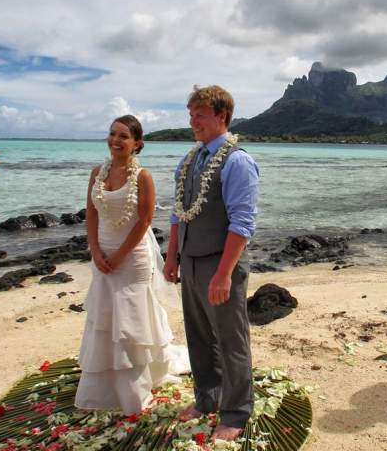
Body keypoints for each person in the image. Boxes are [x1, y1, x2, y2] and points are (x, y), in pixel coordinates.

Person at [75, 115, 189, 415]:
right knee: (105, 314)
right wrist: (96, 250)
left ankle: (136, 389)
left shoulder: (143, 176)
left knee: (131, 319)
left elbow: (145, 220)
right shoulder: (97, 173)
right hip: (102, 253)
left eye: (123, 136)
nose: (115, 140)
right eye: (112, 134)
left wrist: (119, 255)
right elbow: (91, 213)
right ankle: (105, 389)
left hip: (133, 258)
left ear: (137, 143)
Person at [163, 85, 259, 441]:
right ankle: (208, 397)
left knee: (231, 340)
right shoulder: (189, 160)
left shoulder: (237, 161)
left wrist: (223, 274)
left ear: (222, 117)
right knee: (199, 334)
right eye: (191, 115)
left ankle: (235, 411)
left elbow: (242, 223)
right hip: (189, 260)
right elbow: (177, 213)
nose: (193, 122)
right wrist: (171, 256)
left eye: (200, 115)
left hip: (221, 264)